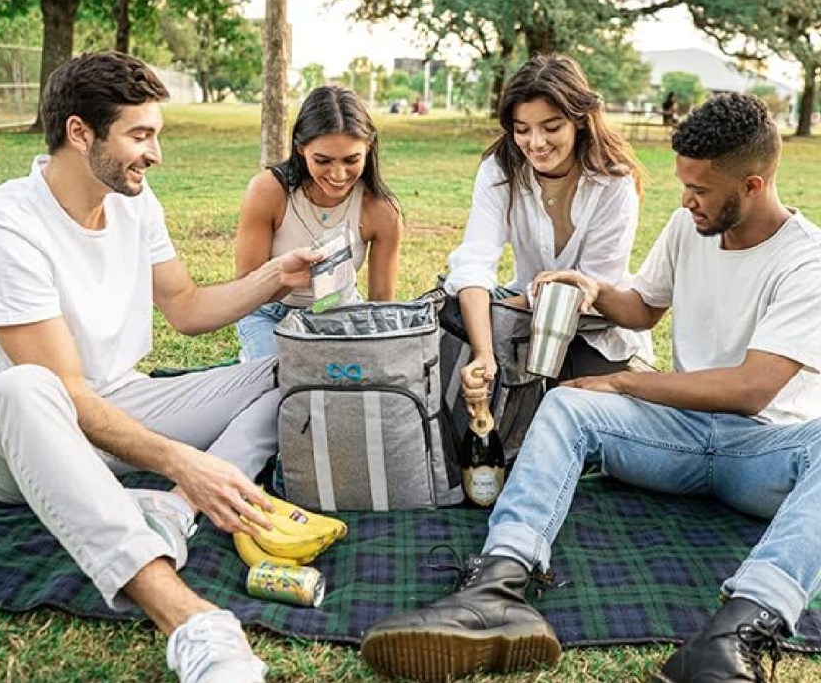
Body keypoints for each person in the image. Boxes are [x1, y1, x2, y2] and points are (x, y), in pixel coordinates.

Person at [362, 92, 821, 683]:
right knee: (569, 404)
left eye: (700, 191)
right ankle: (498, 588)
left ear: (753, 186)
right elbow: (643, 308)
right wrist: (594, 289)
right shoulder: (690, 226)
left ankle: (735, 635)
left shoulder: (806, 261)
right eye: (684, 186)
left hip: (766, 450)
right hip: (679, 441)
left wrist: (629, 381)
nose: (686, 202)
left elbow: (751, 390)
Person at [0, 52, 320, 683]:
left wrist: (271, 280)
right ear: (79, 133)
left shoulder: (134, 203)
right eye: (140, 135)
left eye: (157, 135)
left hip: (125, 402)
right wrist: (181, 458)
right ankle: (193, 623)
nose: (155, 154)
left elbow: (185, 306)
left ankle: (174, 510)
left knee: (295, 364)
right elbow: (66, 393)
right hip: (23, 437)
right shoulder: (2, 228)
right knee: (25, 387)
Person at [444, 54, 651, 417]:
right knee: (449, 346)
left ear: (579, 120)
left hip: (593, 326)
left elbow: (588, 285)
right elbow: (475, 261)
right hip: (519, 315)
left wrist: (501, 311)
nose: (535, 142)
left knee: (573, 414)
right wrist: (483, 352)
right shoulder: (498, 170)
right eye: (522, 129)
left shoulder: (615, 181)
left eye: (551, 127)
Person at [234, 85, 403, 359]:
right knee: (278, 383)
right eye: (322, 160)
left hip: (339, 313)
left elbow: (381, 306)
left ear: (368, 147)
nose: (338, 174)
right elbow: (245, 285)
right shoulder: (267, 191)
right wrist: (290, 278)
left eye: (351, 160)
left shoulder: (382, 210)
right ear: (301, 148)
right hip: (270, 313)